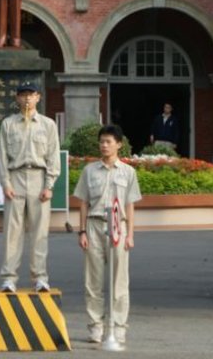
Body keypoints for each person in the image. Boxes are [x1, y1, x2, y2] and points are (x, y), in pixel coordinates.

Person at [74, 124, 142, 347]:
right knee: (92, 281)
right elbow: (83, 203)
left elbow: (130, 205)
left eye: (108, 142)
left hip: (118, 227)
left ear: (118, 144)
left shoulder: (128, 172)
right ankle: (96, 326)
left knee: (119, 281)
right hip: (94, 225)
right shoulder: (89, 171)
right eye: (101, 141)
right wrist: (82, 231)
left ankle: (118, 328)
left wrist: (130, 234)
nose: (104, 145)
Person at [0, 81, 60, 293]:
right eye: (23, 94)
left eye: (31, 94)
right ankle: (9, 278)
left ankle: (40, 277)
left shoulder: (48, 125)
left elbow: (53, 157)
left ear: (38, 97)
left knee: (39, 232)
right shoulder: (8, 124)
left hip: (38, 178)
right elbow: (2, 156)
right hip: (15, 177)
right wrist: (5, 183)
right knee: (12, 232)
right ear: (17, 98)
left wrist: (49, 185)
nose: (27, 98)